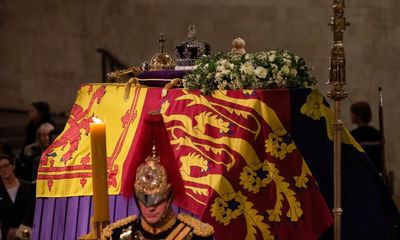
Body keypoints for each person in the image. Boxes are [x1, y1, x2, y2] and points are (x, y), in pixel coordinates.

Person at [102, 150, 214, 240]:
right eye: (144, 199)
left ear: (170, 197)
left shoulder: (197, 235)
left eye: (158, 199)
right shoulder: (117, 235)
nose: (150, 207)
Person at [0, 154, 36, 240]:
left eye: (6, 166)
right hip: (6, 233)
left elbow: (31, 212)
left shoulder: (29, 187)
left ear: (13, 166)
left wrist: (19, 230)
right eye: (0, 168)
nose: (3, 169)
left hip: (27, 231)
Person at [350, 101, 382, 173]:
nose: (351, 115)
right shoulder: (377, 134)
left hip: (360, 173)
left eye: (352, 113)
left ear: (359, 115)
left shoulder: (352, 135)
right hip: (375, 172)